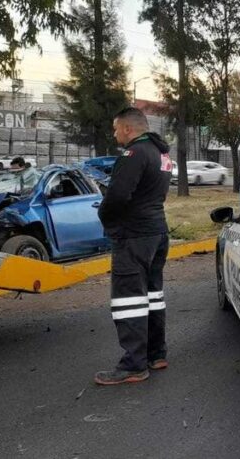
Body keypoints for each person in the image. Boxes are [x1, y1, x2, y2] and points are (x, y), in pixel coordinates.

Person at [95, 107, 173, 386]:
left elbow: (117, 196)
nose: (115, 134)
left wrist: (105, 217)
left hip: (134, 236)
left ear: (128, 128)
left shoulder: (134, 154)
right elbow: (158, 194)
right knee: (152, 295)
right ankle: (156, 353)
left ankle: (133, 364)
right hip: (157, 232)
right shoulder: (162, 153)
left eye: (116, 129)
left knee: (129, 300)